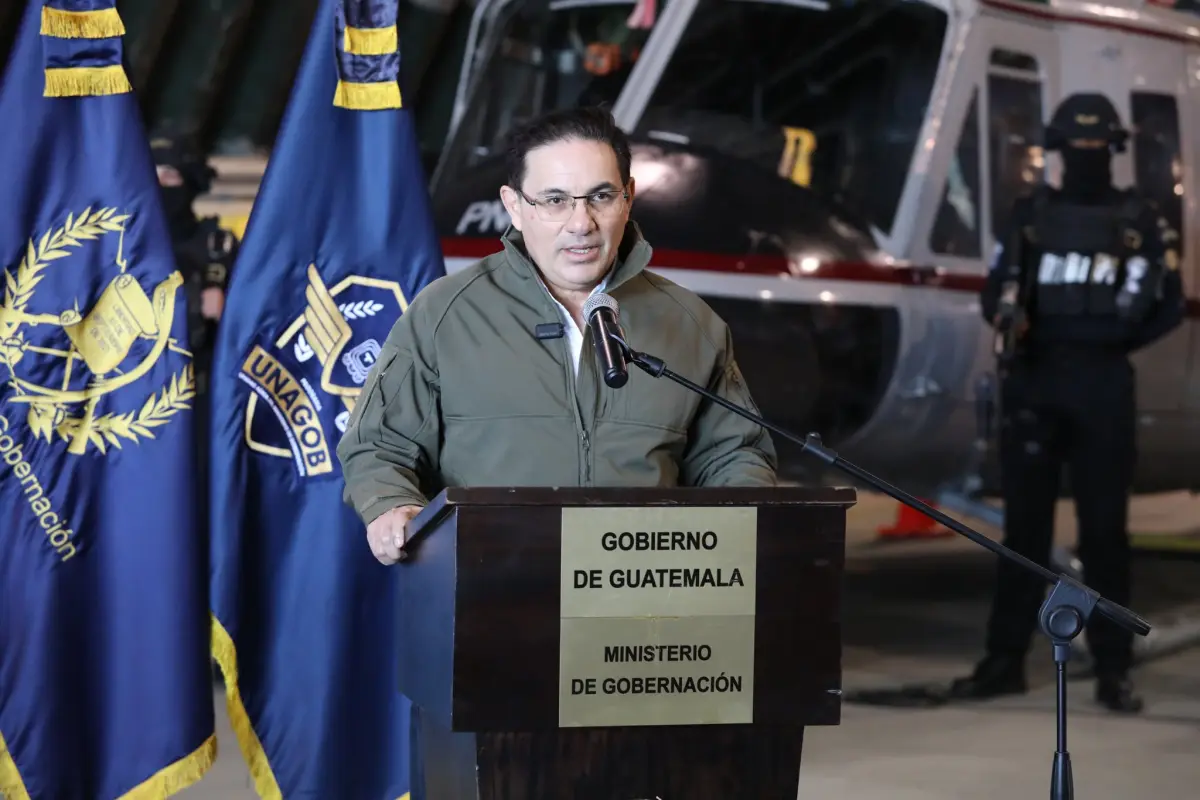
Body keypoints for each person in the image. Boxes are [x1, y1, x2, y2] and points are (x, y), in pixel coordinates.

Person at [336, 104, 777, 565]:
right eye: (554, 200)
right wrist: (390, 504)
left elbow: (734, 453)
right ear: (515, 207)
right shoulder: (444, 314)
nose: (580, 223)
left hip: (641, 593)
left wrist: (738, 524)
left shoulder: (691, 323)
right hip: (491, 587)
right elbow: (379, 445)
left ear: (628, 198)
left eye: (600, 196)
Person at [949, 93, 1186, 713]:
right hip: (1036, 384)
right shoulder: (1030, 217)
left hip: (1101, 388)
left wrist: (1111, 344)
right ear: (1056, 150)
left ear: (1111, 151)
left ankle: (1114, 668)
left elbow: (1167, 302)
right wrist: (1018, 324)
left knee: (1105, 534)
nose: (1083, 158)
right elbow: (997, 291)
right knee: (1023, 536)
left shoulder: (1141, 218)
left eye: (1093, 147)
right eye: (1074, 148)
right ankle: (1004, 661)